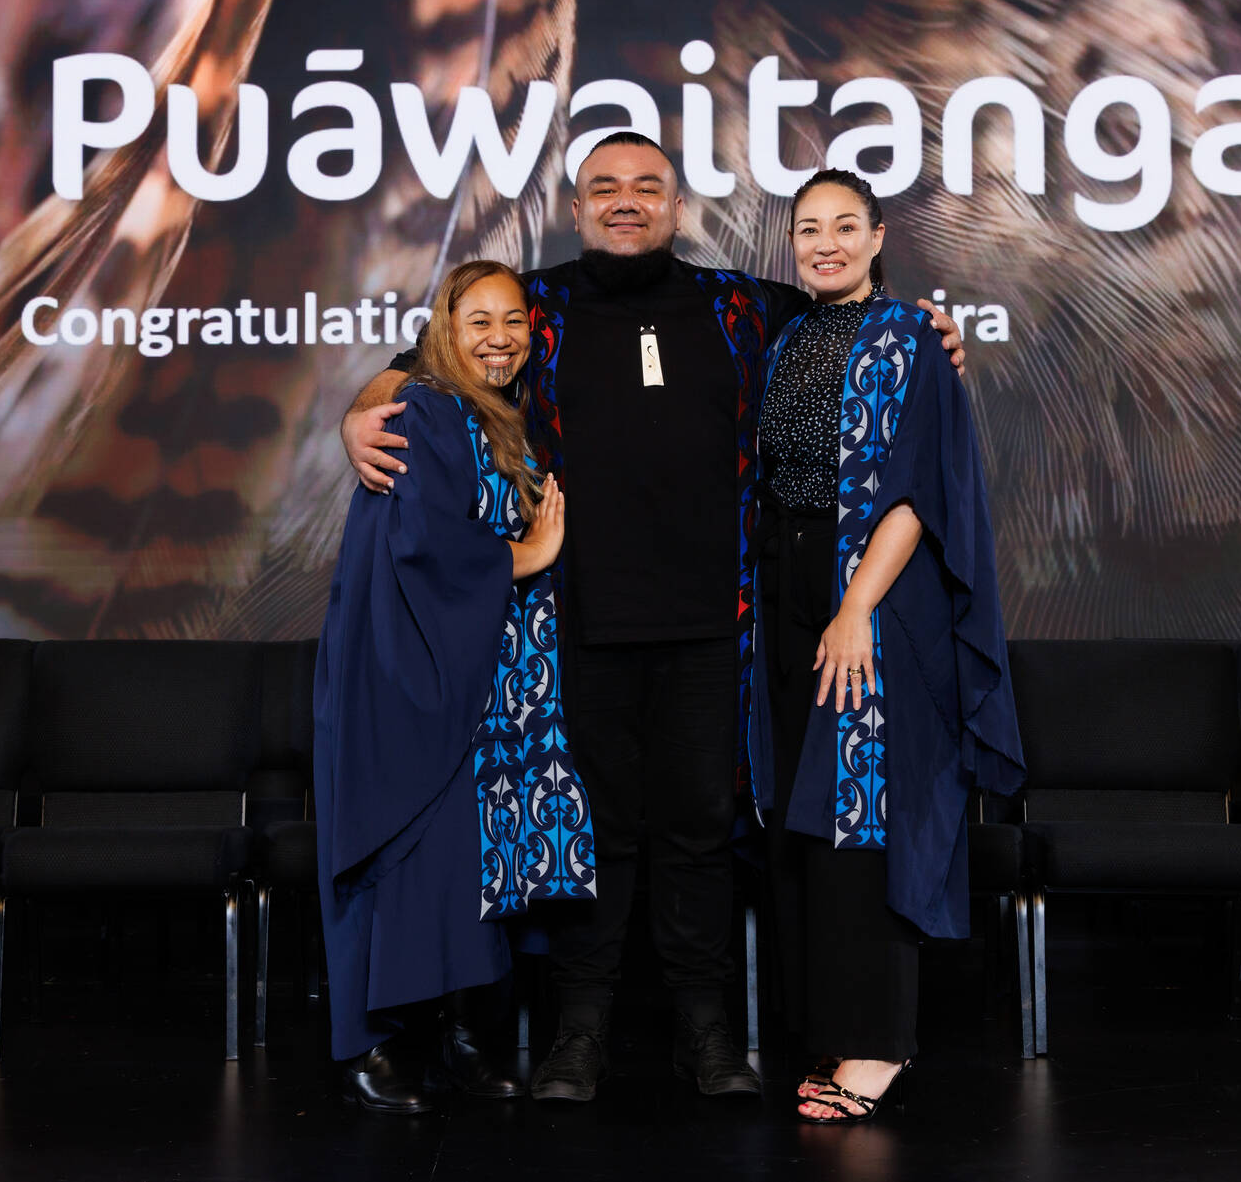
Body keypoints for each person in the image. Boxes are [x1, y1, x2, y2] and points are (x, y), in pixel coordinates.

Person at [341, 132, 966, 1103]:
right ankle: (578, 1038)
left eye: (646, 186)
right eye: (605, 188)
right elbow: (422, 361)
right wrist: (362, 412)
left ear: (677, 207)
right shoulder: (534, 305)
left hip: (717, 631)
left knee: (699, 834)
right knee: (594, 835)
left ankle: (707, 1035)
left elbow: (860, 318)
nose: (625, 200)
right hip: (574, 626)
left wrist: (935, 334)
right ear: (577, 208)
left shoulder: (743, 307)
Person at [747, 168, 1025, 1123]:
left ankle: (877, 1043)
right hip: (787, 589)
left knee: (862, 817)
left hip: (871, 593)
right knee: (806, 819)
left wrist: (856, 605)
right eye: (808, 228)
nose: (824, 243)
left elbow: (918, 489)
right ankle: (833, 1023)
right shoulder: (787, 337)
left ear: (877, 238)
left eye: (844, 226)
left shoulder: (910, 335)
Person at [313, 259, 596, 1114]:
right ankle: (377, 1040)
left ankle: (461, 1036)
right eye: (480, 322)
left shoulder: (498, 414)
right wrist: (529, 555)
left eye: (513, 322)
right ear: (444, 327)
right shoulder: (427, 408)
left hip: (477, 668)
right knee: (408, 848)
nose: (500, 339)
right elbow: (424, 542)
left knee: (469, 856)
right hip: (411, 666)